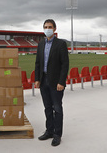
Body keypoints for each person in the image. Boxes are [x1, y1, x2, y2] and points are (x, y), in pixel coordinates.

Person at [35, 19, 69, 147]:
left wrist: (61, 82)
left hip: (56, 82)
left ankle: (57, 134)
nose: (47, 29)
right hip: (43, 80)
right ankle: (49, 131)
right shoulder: (41, 44)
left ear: (54, 29)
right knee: (47, 108)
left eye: (49, 27)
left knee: (57, 108)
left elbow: (65, 64)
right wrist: (37, 79)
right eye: (45, 27)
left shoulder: (60, 44)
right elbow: (38, 63)